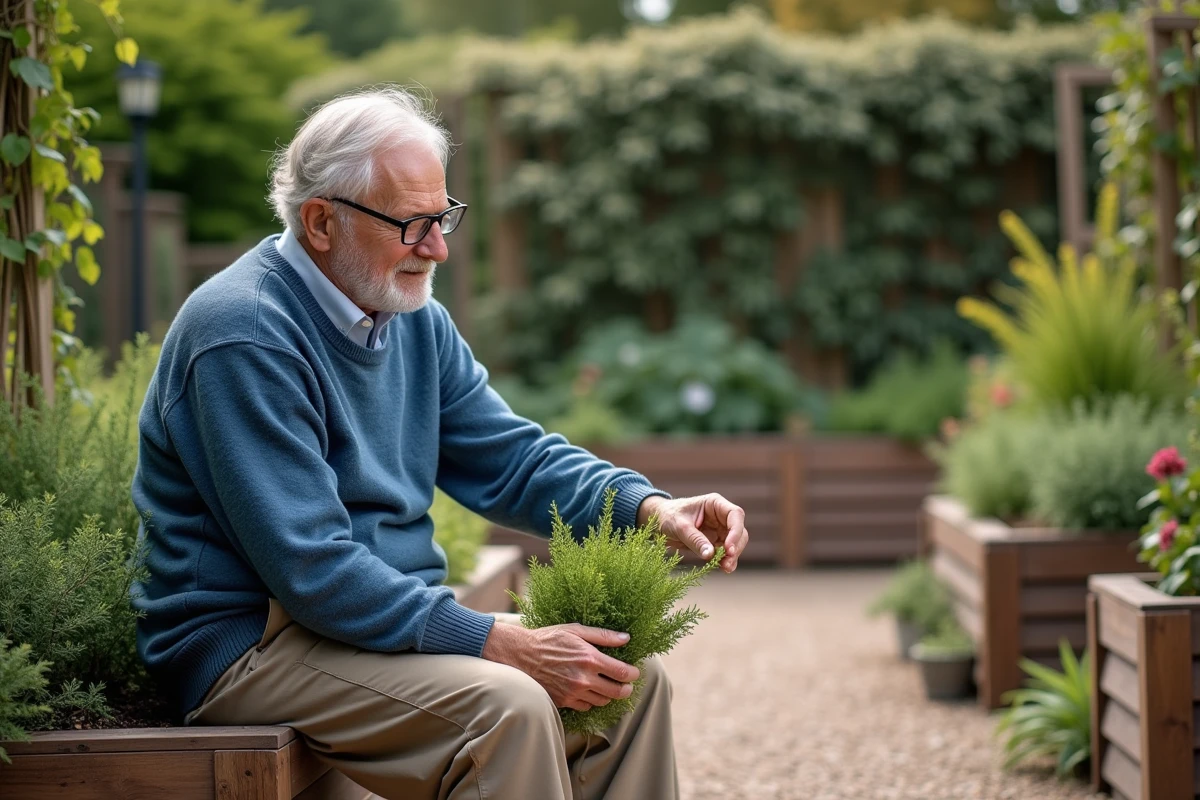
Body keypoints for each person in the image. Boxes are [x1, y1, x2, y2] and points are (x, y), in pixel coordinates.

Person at [131, 87, 749, 800]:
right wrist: (497, 642)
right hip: (253, 645)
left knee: (627, 682)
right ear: (321, 222)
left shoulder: (410, 318)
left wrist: (645, 507)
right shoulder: (244, 332)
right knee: (508, 709)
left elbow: (512, 459)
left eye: (444, 215)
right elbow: (311, 568)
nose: (439, 247)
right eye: (413, 222)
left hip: (365, 624)